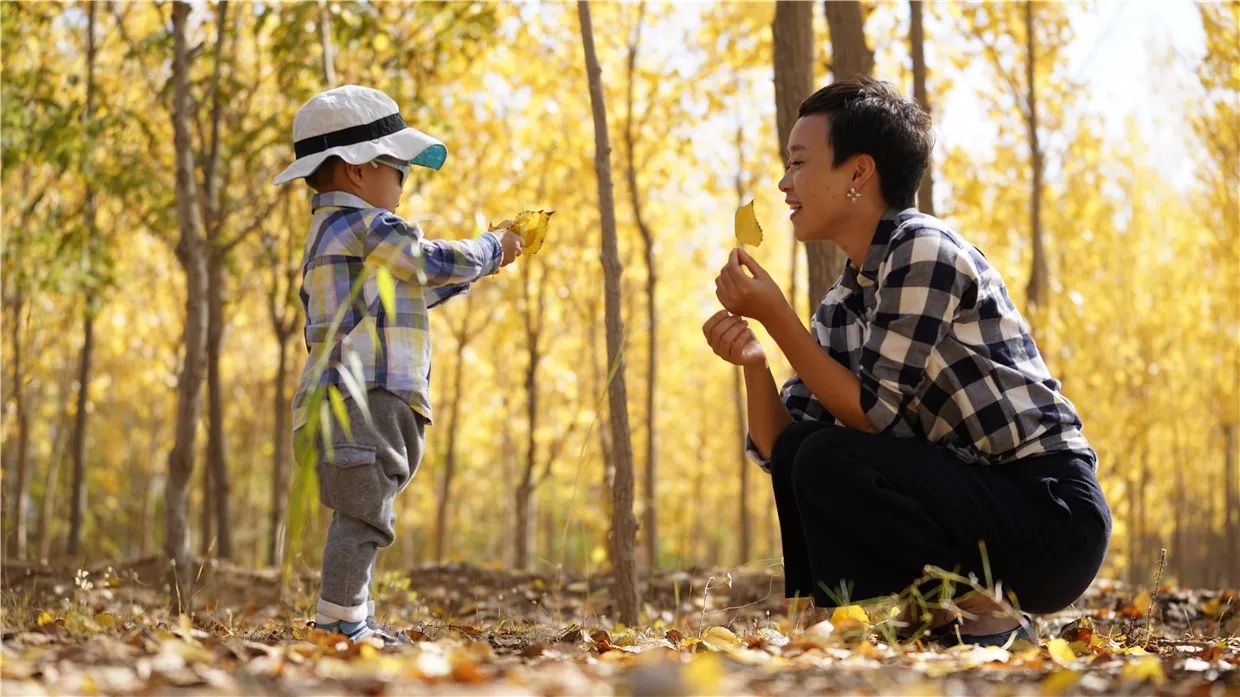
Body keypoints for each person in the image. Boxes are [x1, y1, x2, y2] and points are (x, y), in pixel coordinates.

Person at [703, 77, 1110, 646]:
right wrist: (754, 364)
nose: (783, 182)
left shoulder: (924, 249)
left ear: (858, 173)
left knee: (828, 448)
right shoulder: (843, 306)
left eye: (798, 162)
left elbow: (872, 414)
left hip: (1046, 515)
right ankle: (916, 613)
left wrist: (777, 318)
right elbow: (784, 451)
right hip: (969, 504)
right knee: (808, 450)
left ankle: (981, 613)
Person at [274, 85, 523, 645]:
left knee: (366, 508)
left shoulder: (333, 237)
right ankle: (340, 622)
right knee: (364, 514)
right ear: (357, 171)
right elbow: (429, 261)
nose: (404, 180)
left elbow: (407, 292)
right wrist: (490, 248)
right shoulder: (371, 228)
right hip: (366, 396)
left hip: (356, 398)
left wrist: (478, 272)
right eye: (398, 168)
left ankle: (347, 616)